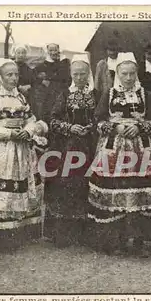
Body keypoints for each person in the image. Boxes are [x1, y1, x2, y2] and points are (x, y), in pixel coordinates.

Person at [87, 52, 151, 257]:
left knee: (139, 194)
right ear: (117, 73)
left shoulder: (144, 94)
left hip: (141, 150)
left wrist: (141, 127)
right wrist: (116, 128)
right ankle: (115, 241)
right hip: (114, 150)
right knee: (116, 193)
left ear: (136, 73)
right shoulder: (109, 94)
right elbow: (98, 121)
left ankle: (139, 241)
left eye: (131, 73)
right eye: (124, 74)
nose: (128, 78)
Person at [0, 58, 48, 253]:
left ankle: (18, 232)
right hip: (1, 150)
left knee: (21, 185)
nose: (14, 78)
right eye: (9, 74)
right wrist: (8, 133)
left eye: (16, 74)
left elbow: (31, 119)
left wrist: (28, 130)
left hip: (21, 148)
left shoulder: (21, 98)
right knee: (1, 187)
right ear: (0, 76)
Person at [45, 54, 100, 247]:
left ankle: (87, 233)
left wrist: (91, 127)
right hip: (68, 148)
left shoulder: (96, 94)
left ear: (89, 74)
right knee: (68, 186)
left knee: (89, 184)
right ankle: (65, 234)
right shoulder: (65, 95)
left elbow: (102, 117)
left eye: (83, 74)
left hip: (91, 145)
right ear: (71, 75)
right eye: (76, 74)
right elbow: (53, 120)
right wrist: (70, 128)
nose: (79, 78)